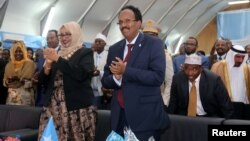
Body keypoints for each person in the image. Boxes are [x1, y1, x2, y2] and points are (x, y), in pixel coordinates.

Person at [101, 5, 169, 140]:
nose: (123, 25)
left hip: (145, 117)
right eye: (120, 22)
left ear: (139, 23)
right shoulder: (115, 48)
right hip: (118, 114)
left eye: (127, 21)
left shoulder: (154, 44)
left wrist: (126, 71)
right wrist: (116, 78)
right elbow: (105, 79)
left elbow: (157, 77)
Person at [38, 21, 96, 141]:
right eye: (61, 35)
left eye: (68, 34)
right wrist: (47, 66)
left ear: (75, 34)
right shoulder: (58, 53)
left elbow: (81, 74)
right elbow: (42, 82)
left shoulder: (85, 53)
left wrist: (57, 59)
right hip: (53, 107)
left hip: (75, 107)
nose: (64, 38)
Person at [168, 54, 234, 118]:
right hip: (185, 117)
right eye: (186, 69)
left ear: (201, 69)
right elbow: (173, 102)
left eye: (194, 69)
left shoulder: (213, 80)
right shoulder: (177, 78)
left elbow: (225, 105)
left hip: (209, 116)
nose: (190, 73)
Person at [142, 19, 173, 107]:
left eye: (152, 36)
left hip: (156, 99)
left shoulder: (165, 56)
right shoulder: (136, 53)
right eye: (145, 35)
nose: (149, 38)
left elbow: (169, 81)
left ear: (157, 37)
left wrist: (164, 101)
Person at [3, 41, 36, 105]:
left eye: (20, 51)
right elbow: (4, 82)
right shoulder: (9, 65)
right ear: (12, 52)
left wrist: (19, 79)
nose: (18, 53)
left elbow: (33, 83)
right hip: (11, 98)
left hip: (25, 99)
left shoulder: (30, 64)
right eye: (15, 51)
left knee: (24, 115)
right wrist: (8, 81)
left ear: (24, 52)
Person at [91, 33, 109, 109]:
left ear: (104, 44)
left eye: (100, 41)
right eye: (96, 41)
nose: (97, 43)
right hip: (90, 89)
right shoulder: (91, 55)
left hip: (102, 91)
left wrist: (99, 72)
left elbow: (110, 72)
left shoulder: (108, 55)